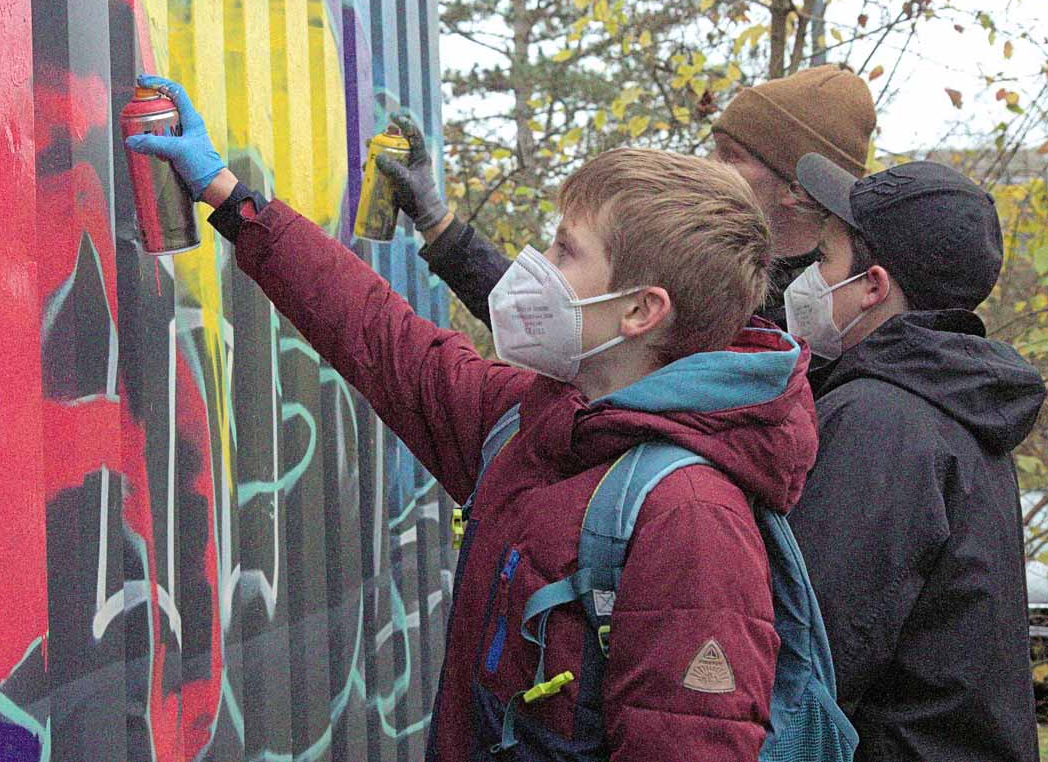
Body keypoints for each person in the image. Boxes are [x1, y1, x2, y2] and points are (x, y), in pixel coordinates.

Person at [127, 75, 820, 760]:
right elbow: (382, 337)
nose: (535, 266)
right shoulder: (533, 422)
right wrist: (230, 198)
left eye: (565, 250)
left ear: (641, 311)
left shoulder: (690, 517)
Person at [784, 153, 1046, 762]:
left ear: (871, 286)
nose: (809, 279)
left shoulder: (878, 420)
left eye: (825, 260)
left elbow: (813, 653)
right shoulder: (956, 405)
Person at [382, 63, 876, 329]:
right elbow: (553, 320)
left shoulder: (849, 319)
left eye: (731, 158)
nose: (709, 170)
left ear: (796, 187)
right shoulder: (695, 255)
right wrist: (439, 225)